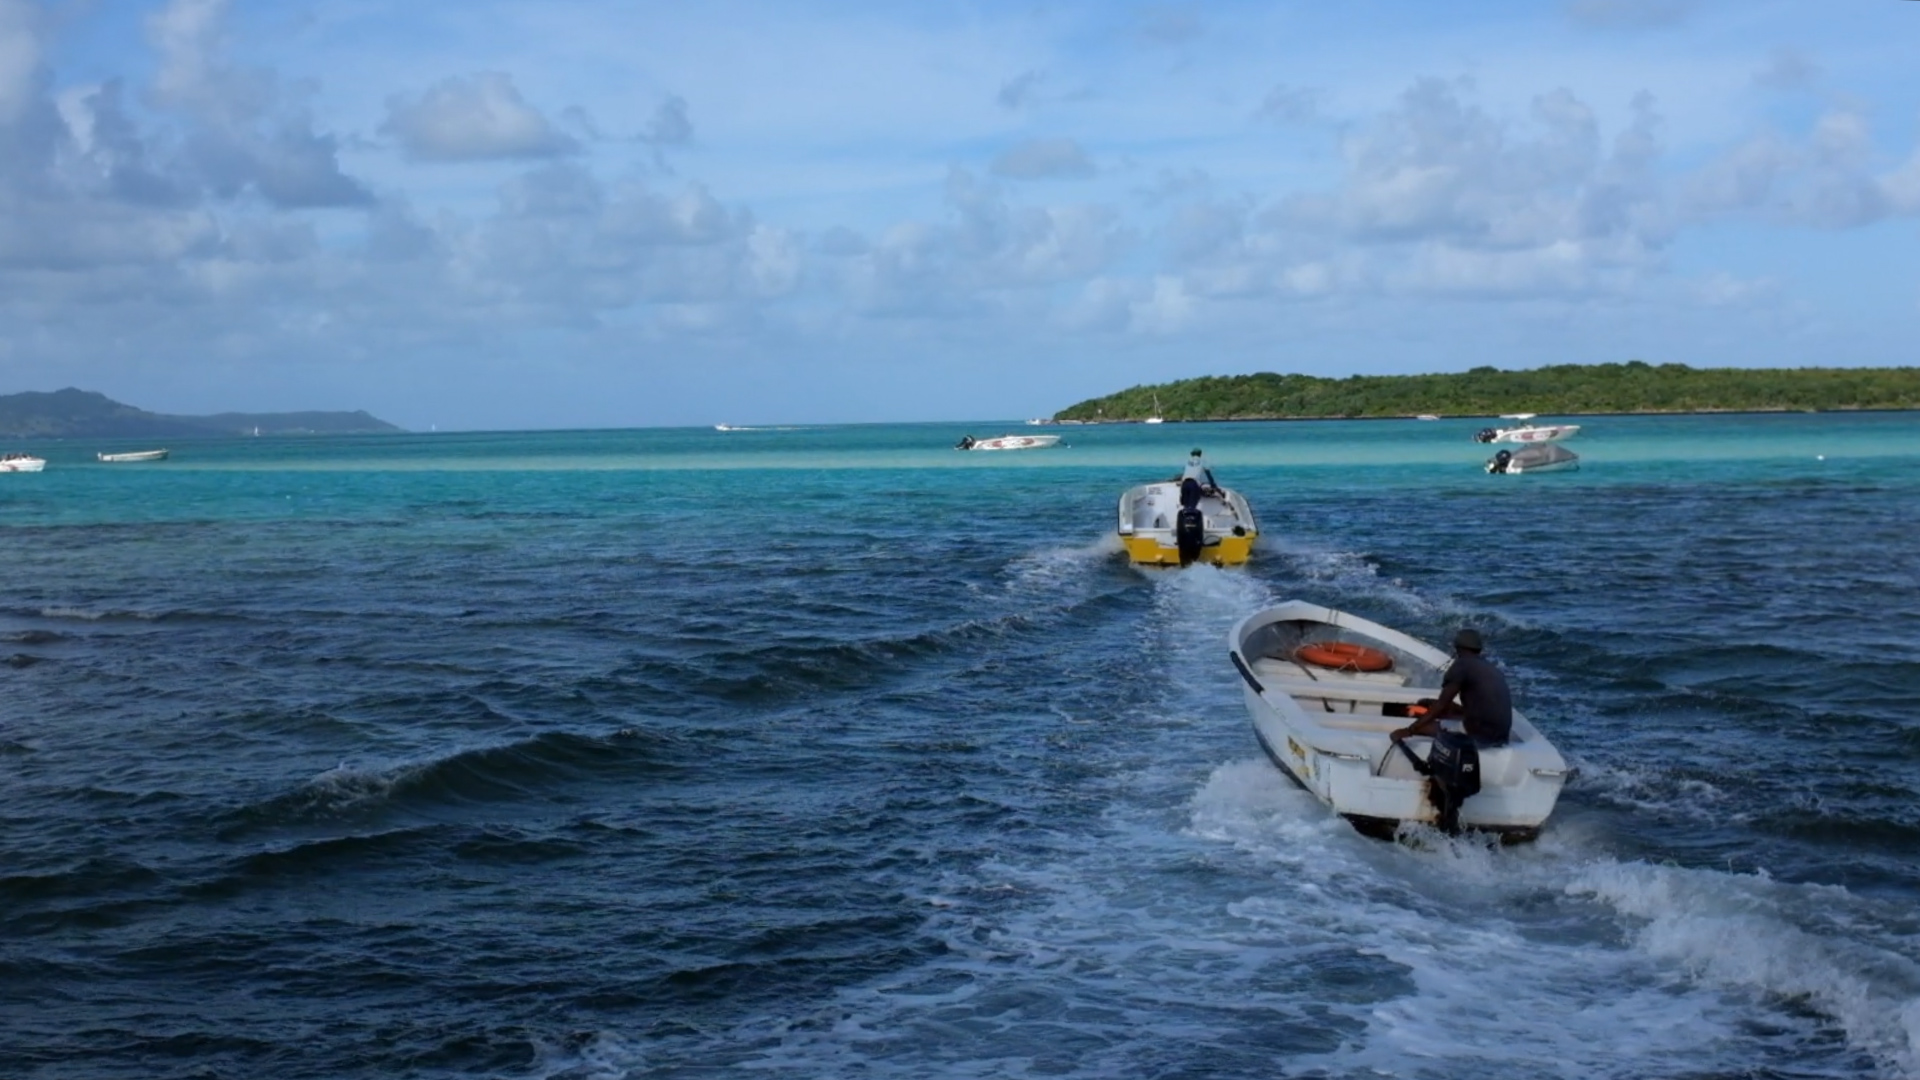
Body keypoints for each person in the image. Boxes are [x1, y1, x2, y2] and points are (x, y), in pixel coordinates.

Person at [1391, 628, 1512, 748]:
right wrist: (1455, 709)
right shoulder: (1491, 668)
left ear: (1457, 647)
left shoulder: (1461, 665)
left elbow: (1441, 705)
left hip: (1480, 737)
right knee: (1450, 715)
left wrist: (1410, 730)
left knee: (1425, 726)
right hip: (1501, 735)